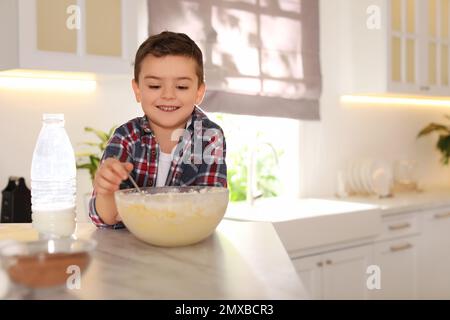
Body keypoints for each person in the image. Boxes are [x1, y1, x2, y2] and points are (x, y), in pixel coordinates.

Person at [88, 31, 227, 228]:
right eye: (154, 86)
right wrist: (107, 192)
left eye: (181, 86)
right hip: (134, 248)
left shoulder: (209, 137)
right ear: (137, 90)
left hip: (188, 246)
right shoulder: (126, 137)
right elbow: (104, 219)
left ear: (199, 92)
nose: (168, 95)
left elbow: (210, 207)